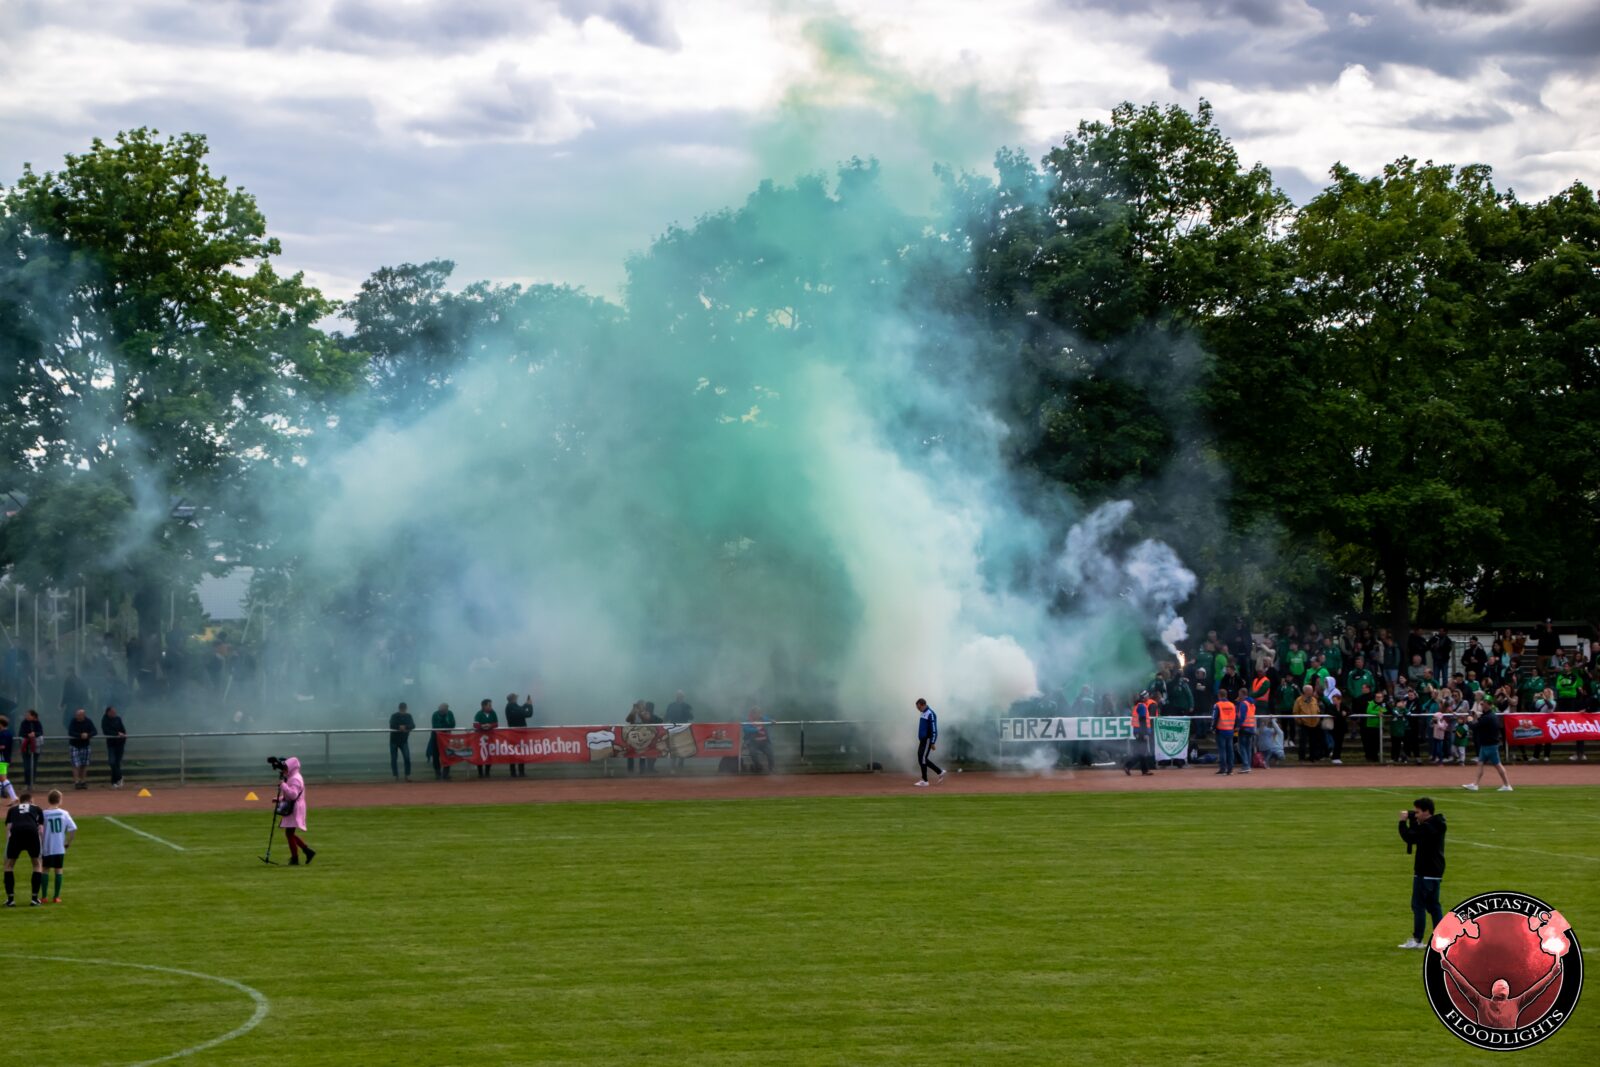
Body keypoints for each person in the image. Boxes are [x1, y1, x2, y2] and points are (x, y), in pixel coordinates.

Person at [1439, 952, 1563, 1030]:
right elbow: (1537, 989)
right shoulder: (1516, 1003)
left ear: (1493, 991)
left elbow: (1463, 985)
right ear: (1508, 992)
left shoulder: (1481, 1002)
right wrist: (1553, 974)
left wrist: (1449, 967)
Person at [1396, 797, 1447, 949]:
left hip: (1424, 872)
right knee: (1434, 906)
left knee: (1418, 905)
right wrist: (1413, 818)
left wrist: (1401, 822)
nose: (1416, 815)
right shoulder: (1437, 824)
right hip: (1436, 872)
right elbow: (1416, 832)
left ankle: (1417, 940)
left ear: (1426, 812)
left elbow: (1410, 837)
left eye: (1418, 812)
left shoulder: (1427, 828)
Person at [271, 756, 316, 866]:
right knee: (290, 833)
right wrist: (280, 798)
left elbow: (293, 795)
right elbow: (291, 795)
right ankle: (306, 852)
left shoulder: (295, 779)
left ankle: (296, 858)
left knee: (289, 833)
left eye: (286, 767)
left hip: (295, 808)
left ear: (291, 768)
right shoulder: (293, 777)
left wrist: (283, 785)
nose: (284, 770)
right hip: (294, 806)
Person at [2, 791, 45, 905]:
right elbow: (41, 829)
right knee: (37, 864)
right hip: (32, 832)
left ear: (20, 801)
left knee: (9, 865)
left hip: (16, 833)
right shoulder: (37, 808)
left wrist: (9, 845)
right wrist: (42, 843)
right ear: (31, 801)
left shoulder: (12, 809)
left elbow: (9, 827)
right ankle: (34, 899)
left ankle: (11, 900)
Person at [1463, 703, 1512, 792]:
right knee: (1480, 764)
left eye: (1483, 705)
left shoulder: (1488, 717)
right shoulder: (1489, 716)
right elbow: (1480, 722)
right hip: (1485, 745)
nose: (1482, 706)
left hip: (1490, 746)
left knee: (1498, 765)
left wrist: (1469, 720)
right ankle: (1475, 784)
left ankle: (1507, 785)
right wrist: (1475, 717)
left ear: (1488, 706)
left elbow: (1475, 727)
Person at [40, 789, 75, 904]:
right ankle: (56, 897)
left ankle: (44, 896)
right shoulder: (64, 813)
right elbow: (73, 829)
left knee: (45, 870)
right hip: (59, 847)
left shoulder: (43, 814)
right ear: (59, 800)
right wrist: (68, 843)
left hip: (47, 846)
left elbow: (39, 829)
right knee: (58, 870)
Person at [913, 698, 943, 786]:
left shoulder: (930, 713)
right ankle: (939, 772)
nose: (918, 709)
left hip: (927, 740)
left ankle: (925, 781)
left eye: (918, 707)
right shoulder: (923, 713)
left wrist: (933, 742)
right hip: (923, 740)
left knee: (922, 758)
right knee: (921, 758)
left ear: (923, 705)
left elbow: (934, 729)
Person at [1124, 692, 1155, 776]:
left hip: (1138, 731)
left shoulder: (1137, 705)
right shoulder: (1142, 706)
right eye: (1147, 696)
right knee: (1141, 752)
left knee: (1141, 752)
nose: (1148, 698)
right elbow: (1143, 721)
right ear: (1144, 698)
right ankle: (1128, 765)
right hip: (1142, 732)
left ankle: (1144, 770)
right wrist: (1145, 733)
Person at [66, 708, 96, 791]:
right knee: (76, 764)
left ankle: (83, 781)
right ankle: (76, 781)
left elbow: (94, 731)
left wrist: (88, 735)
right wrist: (80, 735)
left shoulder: (88, 721)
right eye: (77, 715)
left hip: (85, 745)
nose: (77, 716)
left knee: (84, 764)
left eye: (79, 715)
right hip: (74, 745)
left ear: (83, 715)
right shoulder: (73, 721)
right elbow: (70, 732)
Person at [503, 693, 533, 777]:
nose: (517, 698)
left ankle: (520, 772)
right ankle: (514, 772)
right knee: (514, 753)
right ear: (513, 699)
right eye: (516, 697)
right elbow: (528, 714)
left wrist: (526, 704)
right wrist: (530, 705)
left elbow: (521, 709)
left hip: (519, 734)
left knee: (521, 752)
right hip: (515, 734)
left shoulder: (512, 706)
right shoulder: (510, 706)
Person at [665, 691, 694, 772]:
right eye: (678, 696)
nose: (679, 697)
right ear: (676, 696)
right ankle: (672, 767)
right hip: (673, 729)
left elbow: (691, 717)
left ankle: (680, 765)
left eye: (681, 696)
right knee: (673, 748)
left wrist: (686, 712)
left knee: (683, 748)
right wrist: (663, 722)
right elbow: (667, 716)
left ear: (683, 697)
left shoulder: (687, 706)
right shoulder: (671, 705)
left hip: (683, 729)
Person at [101, 705, 128, 789]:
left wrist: (123, 735)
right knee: (112, 762)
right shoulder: (104, 720)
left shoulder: (118, 719)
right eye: (112, 712)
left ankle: (114, 782)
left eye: (115, 712)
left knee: (117, 763)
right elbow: (106, 731)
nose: (114, 713)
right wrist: (117, 734)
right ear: (108, 712)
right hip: (111, 744)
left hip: (120, 744)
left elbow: (123, 729)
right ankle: (120, 777)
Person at [427, 702, 455, 780]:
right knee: (436, 755)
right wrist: (446, 728)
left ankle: (446, 774)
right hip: (436, 738)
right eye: (442, 710)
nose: (444, 711)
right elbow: (436, 726)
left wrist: (444, 728)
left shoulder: (450, 714)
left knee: (447, 754)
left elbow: (453, 724)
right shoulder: (435, 715)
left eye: (445, 710)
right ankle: (438, 773)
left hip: (446, 738)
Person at [744, 706, 776, 774]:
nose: (758, 715)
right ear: (752, 714)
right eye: (756, 713)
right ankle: (758, 767)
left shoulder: (763, 718)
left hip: (764, 742)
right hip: (753, 742)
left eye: (759, 713)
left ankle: (772, 768)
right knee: (752, 752)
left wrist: (772, 721)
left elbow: (769, 720)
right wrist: (756, 730)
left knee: (770, 752)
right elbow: (746, 729)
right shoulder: (748, 720)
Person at [1212, 690, 1237, 775]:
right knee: (1230, 750)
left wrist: (1213, 728)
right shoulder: (1232, 705)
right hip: (1230, 729)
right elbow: (1235, 717)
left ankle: (1223, 768)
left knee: (1222, 750)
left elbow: (1214, 718)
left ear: (1219, 695)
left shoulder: (1218, 705)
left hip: (1221, 729)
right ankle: (1230, 769)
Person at [389, 702, 415, 782]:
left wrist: (405, 727)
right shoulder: (394, 716)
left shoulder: (408, 716)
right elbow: (392, 725)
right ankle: (396, 776)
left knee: (406, 758)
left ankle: (406, 776)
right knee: (394, 759)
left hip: (403, 741)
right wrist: (399, 727)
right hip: (394, 740)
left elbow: (413, 725)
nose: (403, 710)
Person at [472, 699, 498, 779]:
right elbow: (475, 725)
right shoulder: (479, 714)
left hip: (490, 737)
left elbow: (496, 723)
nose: (491, 707)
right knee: (479, 754)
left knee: (489, 754)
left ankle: (487, 772)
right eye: (489, 705)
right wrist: (482, 726)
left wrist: (490, 725)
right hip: (480, 738)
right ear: (484, 706)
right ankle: (480, 773)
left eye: (491, 705)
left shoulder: (493, 713)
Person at [17, 710, 41, 789]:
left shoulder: (37, 723)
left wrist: (35, 734)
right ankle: (27, 783)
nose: (26, 716)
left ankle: (32, 783)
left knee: (33, 766)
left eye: (28, 715)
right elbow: (20, 733)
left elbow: (40, 732)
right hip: (26, 748)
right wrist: (28, 735)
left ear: (33, 716)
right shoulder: (23, 723)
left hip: (35, 749)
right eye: (26, 715)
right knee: (26, 767)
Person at [1235, 690, 1257, 773]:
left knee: (1242, 747)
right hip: (1251, 727)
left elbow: (1242, 716)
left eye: (1239, 694)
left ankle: (1245, 765)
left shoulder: (1243, 704)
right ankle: (1248, 765)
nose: (1238, 696)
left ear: (1243, 694)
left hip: (1244, 728)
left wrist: (1238, 726)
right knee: (1248, 747)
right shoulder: (1252, 703)